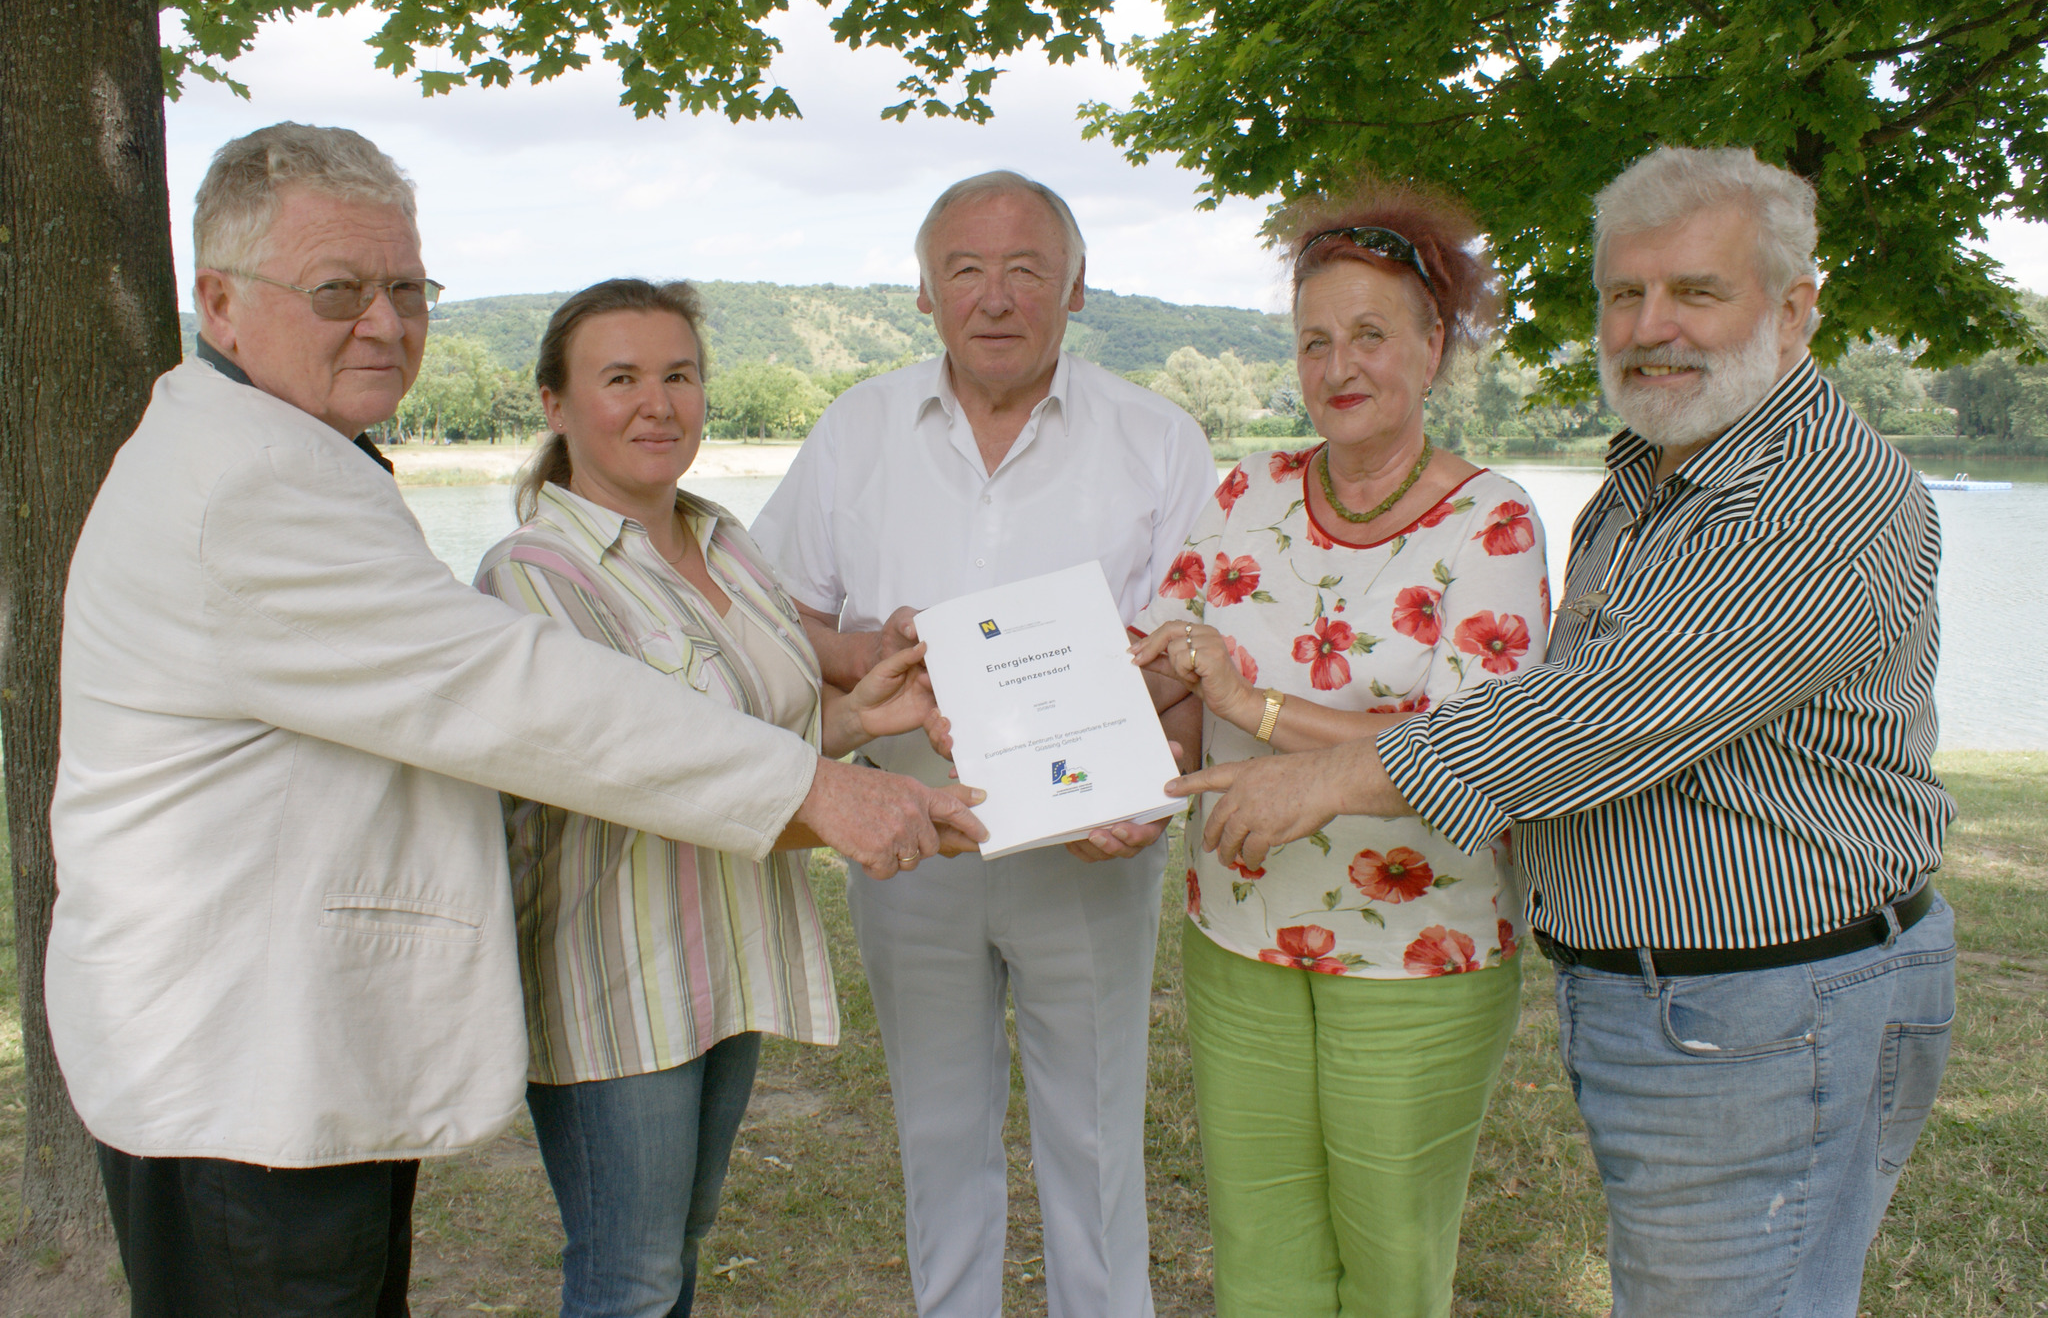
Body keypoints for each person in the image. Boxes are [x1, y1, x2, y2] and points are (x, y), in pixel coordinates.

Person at [48, 123, 982, 1316]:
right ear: (221, 305)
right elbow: (518, 695)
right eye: (337, 290)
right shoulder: (250, 484)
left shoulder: (288, 449)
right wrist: (823, 790)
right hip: (240, 1065)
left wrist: (836, 737)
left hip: (283, 1050)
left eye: (406, 288)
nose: (384, 324)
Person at [1171, 146, 1956, 1318]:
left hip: (1774, 1005)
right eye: (1624, 295)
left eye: (1695, 292)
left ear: (1791, 310)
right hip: (1663, 999)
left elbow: (1594, 715)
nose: (1650, 327)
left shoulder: (1817, 493)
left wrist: (1318, 765)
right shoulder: (1650, 475)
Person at [749, 170, 1216, 1318]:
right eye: (964, 269)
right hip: (912, 834)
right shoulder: (858, 428)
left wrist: (1152, 800)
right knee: (939, 1123)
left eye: (1023, 270)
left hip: (1092, 841)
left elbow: (1197, 652)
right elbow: (769, 618)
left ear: (1075, 288)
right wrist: (871, 651)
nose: (994, 297)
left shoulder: (1158, 438)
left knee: (1095, 1130)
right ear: (922, 292)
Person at [474, 278, 964, 1318]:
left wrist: (860, 719)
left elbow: (750, 737)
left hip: (726, 955)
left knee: (676, 1251)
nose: (658, 403)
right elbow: (635, 776)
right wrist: (856, 808)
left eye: (678, 374)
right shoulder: (534, 574)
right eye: (620, 378)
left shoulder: (726, 544)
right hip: (618, 975)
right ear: (557, 406)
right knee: (629, 1275)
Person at [1127, 181, 1549, 1317]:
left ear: (1433, 344)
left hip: (1418, 949)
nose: (1338, 364)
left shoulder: (1491, 518)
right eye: (1314, 339)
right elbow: (1167, 660)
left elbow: (1481, 749)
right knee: (1258, 1248)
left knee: (1388, 1264)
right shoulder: (1245, 487)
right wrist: (1050, 718)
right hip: (1238, 926)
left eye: (1369, 333)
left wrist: (1256, 705)